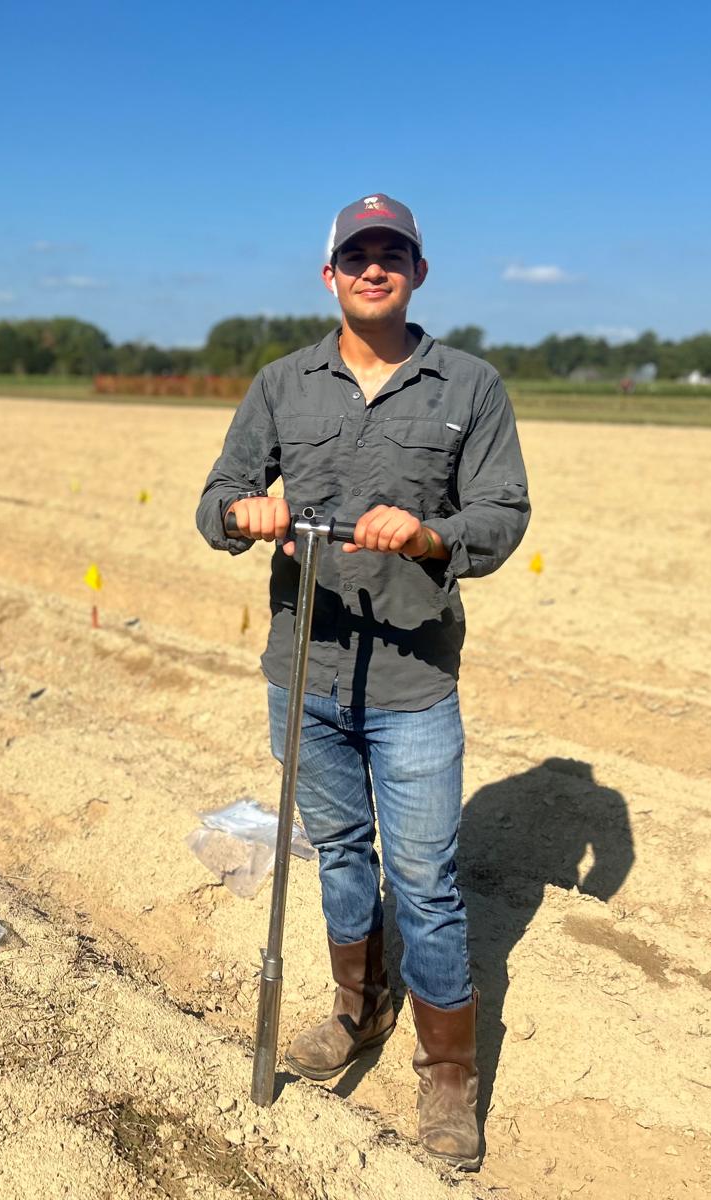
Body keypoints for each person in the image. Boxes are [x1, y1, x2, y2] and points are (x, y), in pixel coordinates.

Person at [194, 194, 530, 1170]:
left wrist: (431, 536)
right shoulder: (281, 386)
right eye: (356, 255)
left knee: (424, 883)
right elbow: (212, 500)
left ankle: (446, 1080)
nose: (373, 268)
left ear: (417, 272)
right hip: (306, 669)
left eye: (392, 255)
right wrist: (244, 514)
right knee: (339, 852)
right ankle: (357, 1009)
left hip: (414, 682)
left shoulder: (468, 386)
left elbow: (503, 514)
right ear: (329, 274)